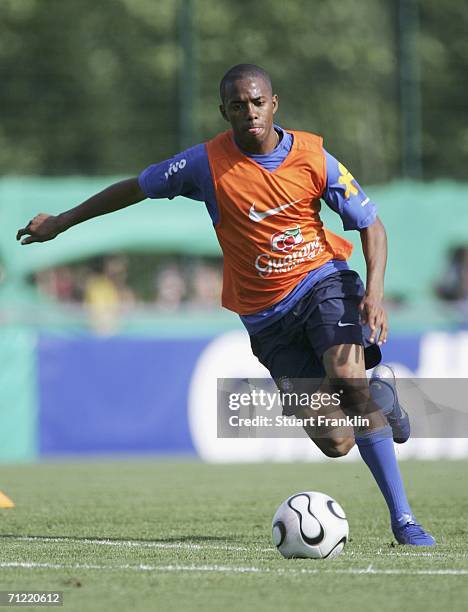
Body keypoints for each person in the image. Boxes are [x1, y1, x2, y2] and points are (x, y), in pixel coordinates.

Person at [16, 63, 434, 546]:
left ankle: (404, 522)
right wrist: (62, 222)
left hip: (323, 281)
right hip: (266, 319)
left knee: (347, 380)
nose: (249, 113)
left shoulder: (313, 156)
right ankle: (382, 396)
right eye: (238, 105)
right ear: (224, 111)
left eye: (257, 102)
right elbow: (134, 188)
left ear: (274, 103)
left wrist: (376, 294)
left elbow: (370, 224)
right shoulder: (203, 164)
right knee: (337, 441)